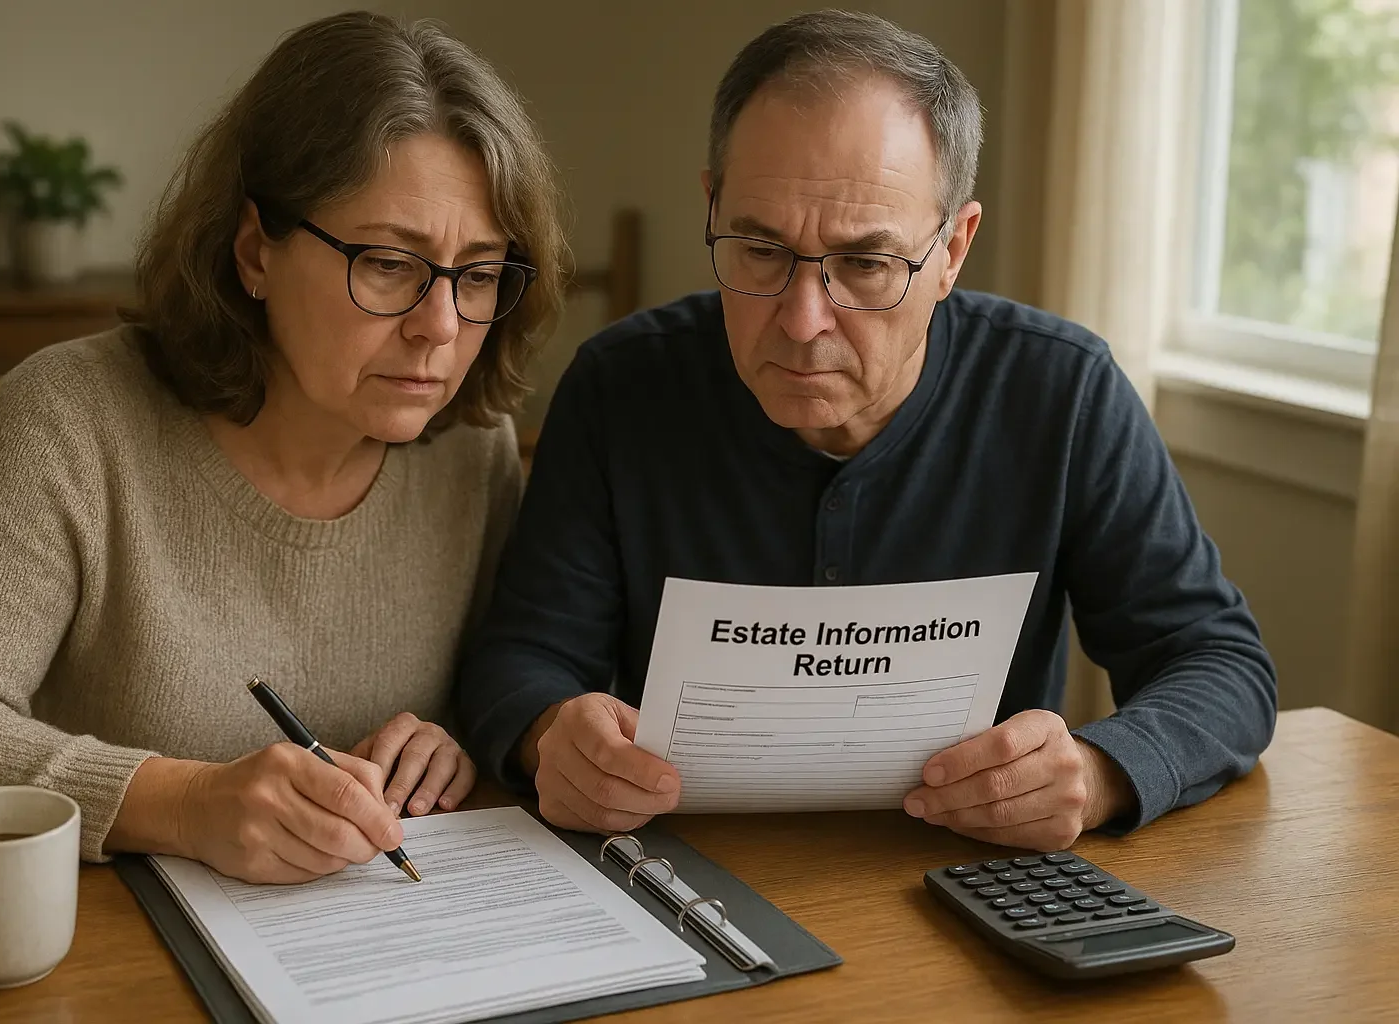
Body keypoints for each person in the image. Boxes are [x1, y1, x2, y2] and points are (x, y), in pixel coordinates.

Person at [455, 10, 1276, 852]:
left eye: (867, 264)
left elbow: (1219, 664)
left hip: (973, 881)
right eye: (759, 249)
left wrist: (1102, 772)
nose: (804, 321)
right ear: (712, 209)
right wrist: (554, 732)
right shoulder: (621, 388)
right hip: (690, 880)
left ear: (954, 249)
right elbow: (518, 660)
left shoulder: (1061, 391)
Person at [0, 12, 566, 883]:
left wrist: (452, 736)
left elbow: (491, 683)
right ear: (253, 252)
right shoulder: (72, 418)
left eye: (481, 273)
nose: (441, 327)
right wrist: (185, 803)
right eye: (389, 262)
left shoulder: (470, 446)